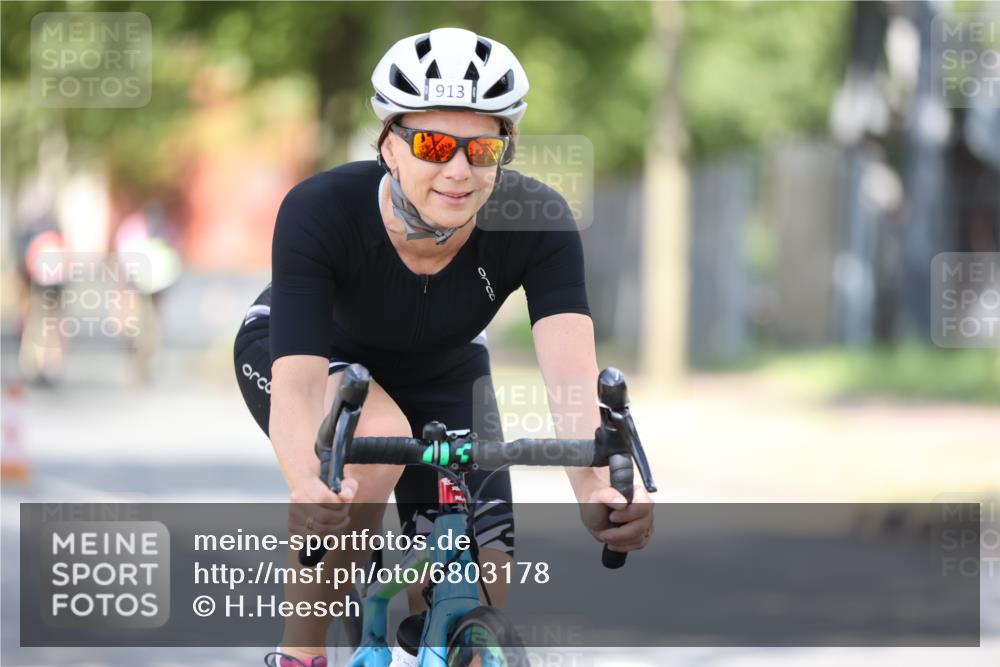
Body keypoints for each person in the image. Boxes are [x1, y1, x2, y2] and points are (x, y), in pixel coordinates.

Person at [233, 27, 654, 667]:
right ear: (389, 146)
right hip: (314, 356)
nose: (458, 170)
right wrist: (307, 484)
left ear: (504, 151)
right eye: (432, 144)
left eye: (482, 148)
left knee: (484, 568)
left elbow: (573, 382)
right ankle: (301, 654)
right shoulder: (320, 209)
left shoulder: (537, 221)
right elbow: (296, 384)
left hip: (445, 369)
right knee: (370, 448)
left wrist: (597, 486)